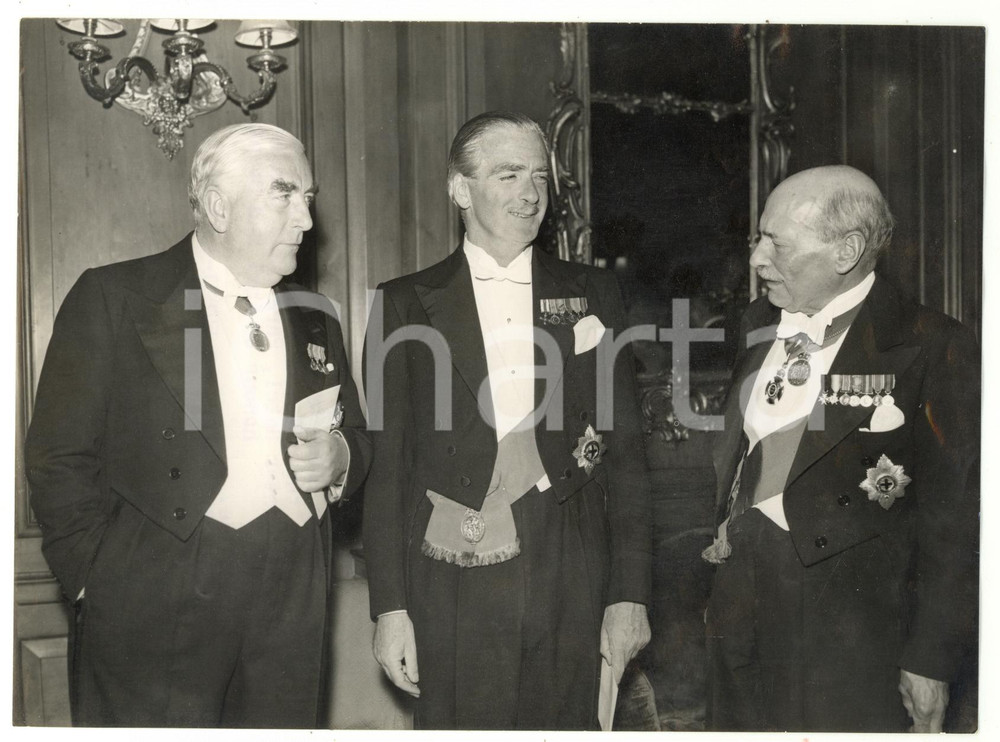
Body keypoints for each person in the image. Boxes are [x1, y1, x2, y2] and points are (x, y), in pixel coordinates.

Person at [25, 123, 372, 728]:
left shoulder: (316, 315)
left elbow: (360, 437)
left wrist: (342, 455)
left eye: (308, 198)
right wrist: (92, 583)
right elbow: (59, 456)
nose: (307, 221)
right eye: (285, 194)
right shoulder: (115, 296)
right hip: (156, 594)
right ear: (218, 206)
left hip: (291, 597)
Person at [361, 111, 652, 729]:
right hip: (451, 567)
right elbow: (388, 467)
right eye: (509, 174)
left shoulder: (594, 294)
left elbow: (625, 456)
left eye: (540, 177)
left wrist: (629, 594)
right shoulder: (404, 301)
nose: (530, 194)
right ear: (460, 190)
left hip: (571, 558)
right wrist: (389, 609)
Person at [703, 165, 979, 732]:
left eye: (776, 243)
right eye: (759, 237)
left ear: (846, 251)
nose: (756, 259)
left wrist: (931, 660)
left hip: (850, 628)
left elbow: (954, 523)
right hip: (738, 605)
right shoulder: (758, 322)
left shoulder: (932, 345)